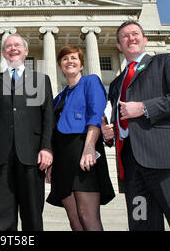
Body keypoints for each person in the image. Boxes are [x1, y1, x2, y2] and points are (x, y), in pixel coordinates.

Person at [101, 20, 170, 231]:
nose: (131, 38)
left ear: (145, 39)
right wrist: (109, 133)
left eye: (135, 34)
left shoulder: (165, 61)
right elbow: (117, 118)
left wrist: (145, 107)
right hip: (133, 169)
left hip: (167, 161)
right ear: (119, 45)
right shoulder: (117, 83)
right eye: (125, 36)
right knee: (142, 225)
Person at [0, 34, 54, 231]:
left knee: (33, 216)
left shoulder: (41, 80)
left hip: (32, 154)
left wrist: (47, 147)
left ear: (26, 51)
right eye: (8, 46)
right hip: (0, 155)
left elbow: (48, 117)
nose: (13, 49)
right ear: (3, 53)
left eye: (17, 45)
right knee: (2, 217)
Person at [46, 46, 115, 231]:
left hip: (83, 151)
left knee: (87, 216)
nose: (70, 61)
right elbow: (54, 131)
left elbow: (96, 113)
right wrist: (52, 163)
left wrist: (90, 146)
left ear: (82, 64)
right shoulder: (59, 97)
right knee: (74, 220)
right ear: (60, 66)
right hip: (63, 159)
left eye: (74, 58)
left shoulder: (91, 81)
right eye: (65, 59)